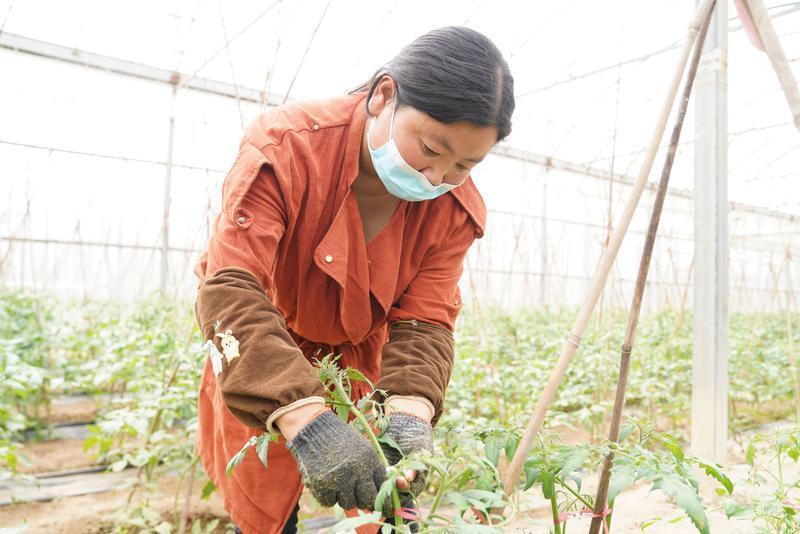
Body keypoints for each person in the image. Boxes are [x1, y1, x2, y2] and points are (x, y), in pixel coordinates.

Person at [192, 25, 515, 534]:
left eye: (464, 165)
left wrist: (409, 408)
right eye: (431, 148)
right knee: (266, 514)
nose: (437, 177)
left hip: (367, 366)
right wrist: (303, 419)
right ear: (384, 96)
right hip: (261, 352)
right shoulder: (287, 147)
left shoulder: (454, 209)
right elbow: (232, 289)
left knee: (388, 510)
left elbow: (426, 319)